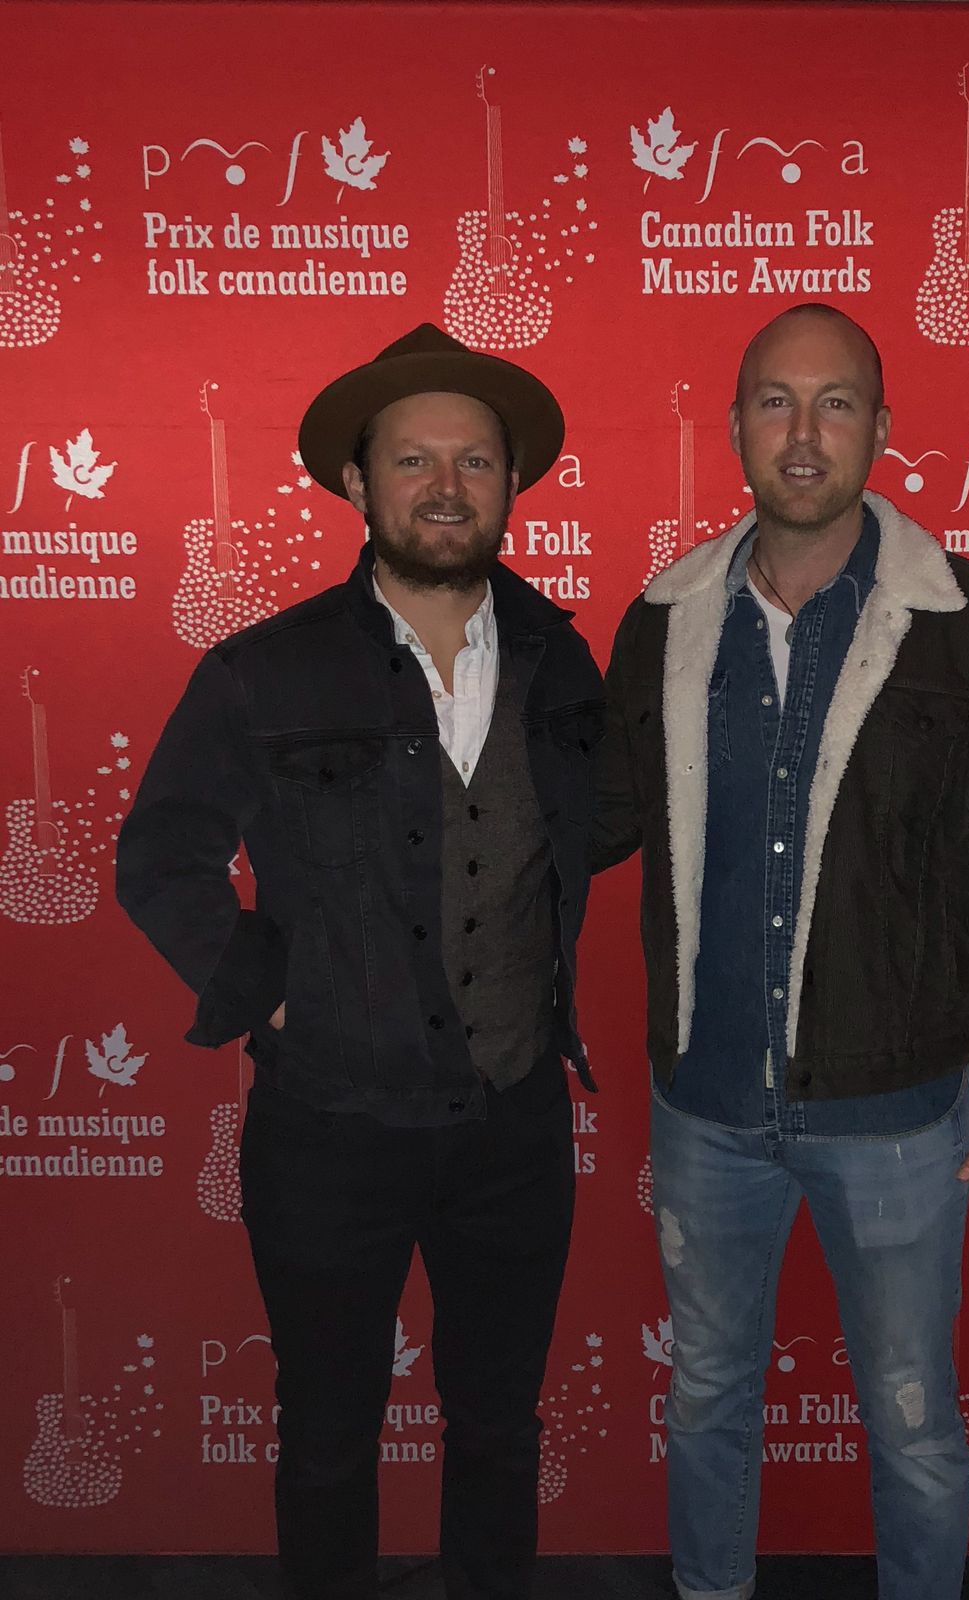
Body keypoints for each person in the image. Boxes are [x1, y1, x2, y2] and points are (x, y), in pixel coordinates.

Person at [592, 303, 969, 1600]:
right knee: (704, 1396)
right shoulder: (660, 621)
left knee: (913, 1421)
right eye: (774, 400)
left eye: (835, 402)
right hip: (703, 1109)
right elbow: (588, 819)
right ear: (733, 426)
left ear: (879, 427)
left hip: (896, 1119)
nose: (802, 433)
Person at [117, 323, 604, 1600]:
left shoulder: (561, 659)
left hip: (512, 1123)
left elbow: (590, 834)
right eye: (411, 460)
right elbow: (161, 853)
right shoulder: (264, 670)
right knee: (328, 1433)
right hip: (328, 1128)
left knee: (498, 1424)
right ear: (357, 481)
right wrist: (269, 990)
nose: (445, 487)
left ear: (510, 482)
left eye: (474, 461)